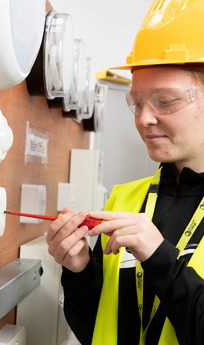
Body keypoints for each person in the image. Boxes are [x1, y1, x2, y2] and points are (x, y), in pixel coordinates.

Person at [47, 1, 204, 344]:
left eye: (165, 101)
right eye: (136, 102)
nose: (144, 119)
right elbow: (97, 330)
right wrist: (79, 272)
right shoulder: (126, 199)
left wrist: (161, 258)